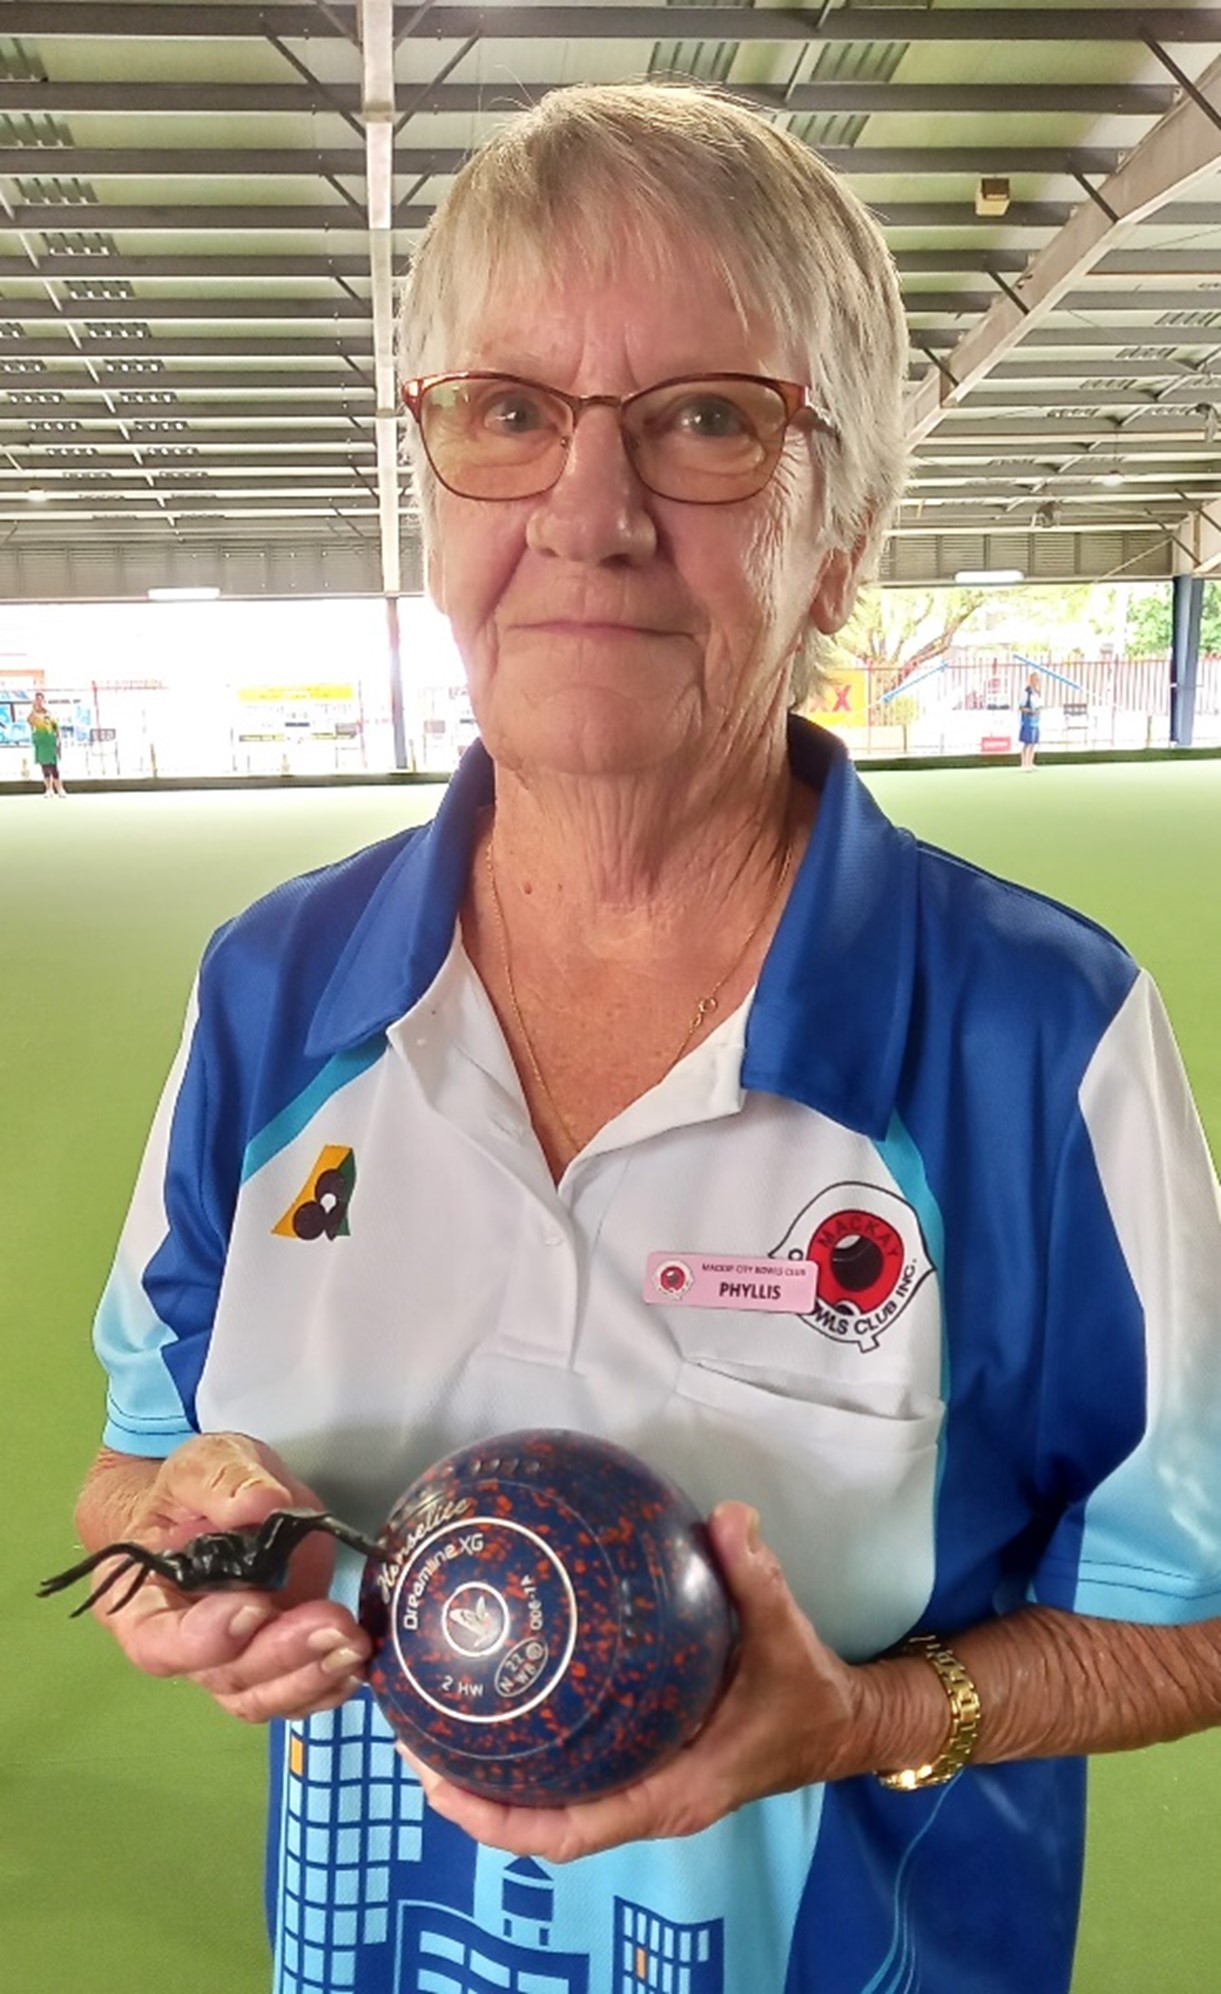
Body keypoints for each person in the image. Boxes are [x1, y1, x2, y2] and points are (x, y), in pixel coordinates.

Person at [69, 83, 1221, 1994]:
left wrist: (861, 1716)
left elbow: (1194, 1612)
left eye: (706, 421)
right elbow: (135, 1474)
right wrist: (181, 1574)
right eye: (508, 414)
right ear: (435, 489)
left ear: (841, 536)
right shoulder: (268, 988)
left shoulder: (1043, 1035)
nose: (586, 517)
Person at [28, 689, 65, 796]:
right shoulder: (33, 714)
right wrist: (33, 710)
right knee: (44, 767)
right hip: (40, 743)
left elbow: (55, 728)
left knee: (54, 767)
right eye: (37, 700)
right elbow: (30, 721)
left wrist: (58, 741)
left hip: (50, 743)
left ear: (44, 700)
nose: (39, 702)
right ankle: (48, 789)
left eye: (41, 699)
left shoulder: (50, 714)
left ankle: (60, 789)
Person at [1019, 669, 1041, 769]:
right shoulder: (1026, 692)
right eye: (1035, 679)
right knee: (1027, 742)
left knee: (1033, 742)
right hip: (1027, 720)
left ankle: (1030, 762)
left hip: (1036, 720)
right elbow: (1021, 707)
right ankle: (1024, 763)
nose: (1036, 682)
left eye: (1038, 680)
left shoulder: (1037, 693)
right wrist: (1029, 711)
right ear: (1030, 680)